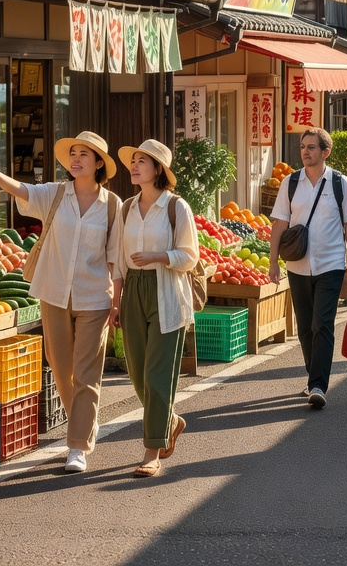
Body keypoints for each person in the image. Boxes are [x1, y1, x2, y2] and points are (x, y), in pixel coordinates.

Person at [0, 131, 120, 474]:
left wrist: (117, 301)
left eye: (85, 154)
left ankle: (77, 445)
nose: (77, 158)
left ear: (99, 164)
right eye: (74, 153)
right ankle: (83, 423)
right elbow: (23, 191)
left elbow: (115, 258)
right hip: (53, 293)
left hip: (95, 296)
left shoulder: (112, 206)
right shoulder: (55, 194)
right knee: (60, 366)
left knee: (86, 372)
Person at [109, 140, 199, 478]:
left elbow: (190, 257)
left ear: (158, 169)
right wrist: (115, 301)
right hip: (132, 290)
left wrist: (159, 257)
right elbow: (118, 258)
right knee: (136, 373)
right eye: (132, 161)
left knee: (157, 376)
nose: (133, 166)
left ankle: (151, 452)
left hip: (166, 292)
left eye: (141, 161)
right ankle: (170, 421)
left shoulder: (177, 207)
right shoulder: (127, 207)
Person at [267, 129, 347, 410]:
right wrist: (273, 262)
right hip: (297, 265)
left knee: (322, 324)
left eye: (311, 147)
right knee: (306, 327)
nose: (306, 151)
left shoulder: (339, 183)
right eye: (303, 147)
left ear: (325, 152)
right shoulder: (291, 182)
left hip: (331, 265)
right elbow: (279, 224)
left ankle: (319, 384)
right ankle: (313, 377)